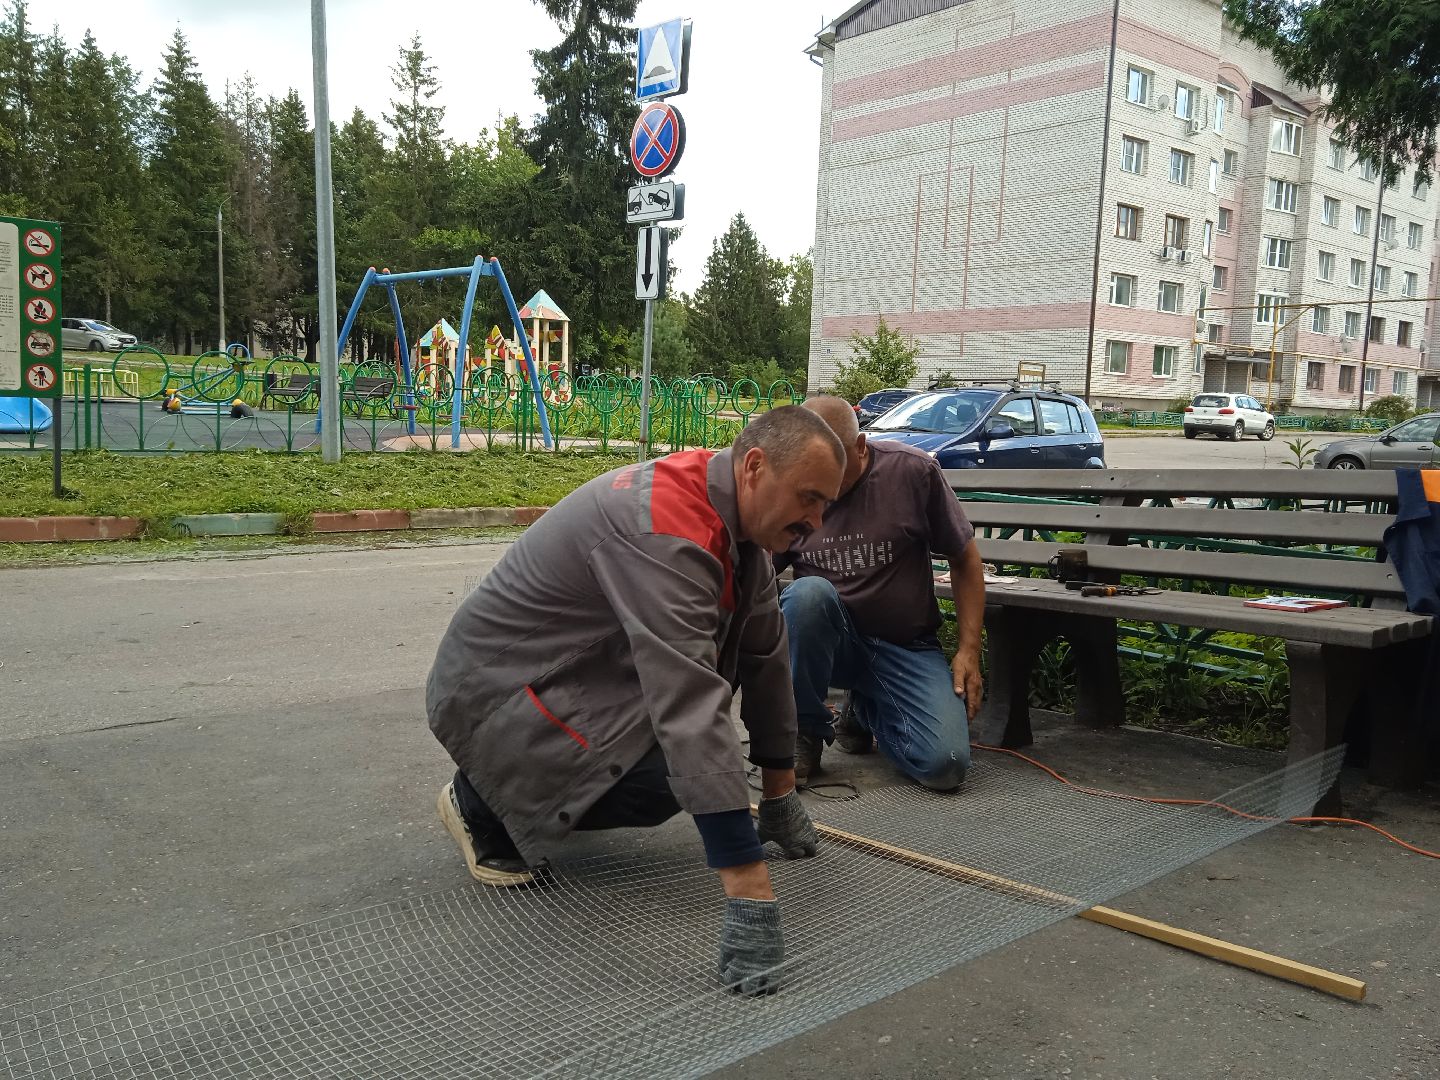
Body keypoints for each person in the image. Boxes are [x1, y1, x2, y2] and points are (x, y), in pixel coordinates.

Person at [426, 406, 846, 995]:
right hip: (494, 693)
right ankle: (479, 802)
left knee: (677, 767)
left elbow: (765, 655)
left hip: (563, 677)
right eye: (810, 498)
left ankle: (536, 788)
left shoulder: (738, 524)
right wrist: (749, 891)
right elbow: (690, 703)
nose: (817, 521)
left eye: (826, 504)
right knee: (667, 775)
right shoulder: (667, 528)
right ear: (754, 467)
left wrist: (778, 792)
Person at [776, 396, 985, 788]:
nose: (825, 491)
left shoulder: (912, 472)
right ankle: (804, 730)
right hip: (831, 646)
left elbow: (965, 559)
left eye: (835, 473)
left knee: (945, 766)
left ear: (860, 446)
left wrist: (969, 649)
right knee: (806, 596)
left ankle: (866, 709)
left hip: (905, 647)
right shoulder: (794, 487)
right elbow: (754, 573)